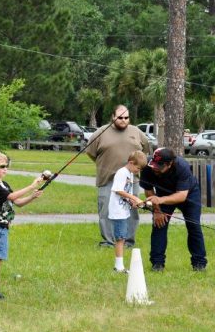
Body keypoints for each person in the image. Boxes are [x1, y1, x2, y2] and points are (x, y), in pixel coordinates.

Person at [85, 105, 150, 248]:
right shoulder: (101, 132)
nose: (123, 120)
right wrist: (102, 163)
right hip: (108, 178)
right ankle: (108, 241)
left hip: (132, 180)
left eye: (126, 118)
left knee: (132, 209)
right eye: (120, 117)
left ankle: (128, 241)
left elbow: (145, 150)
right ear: (113, 117)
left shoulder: (136, 132)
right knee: (107, 210)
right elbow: (90, 152)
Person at [0, 151, 43, 299]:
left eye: (7, 166)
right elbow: (11, 196)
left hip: (3, 225)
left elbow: (18, 202)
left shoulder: (4, 184)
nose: (5, 169)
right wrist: (31, 186)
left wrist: (32, 197)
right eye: (2, 166)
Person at [140, 147, 207, 272]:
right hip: (162, 194)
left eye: (159, 166)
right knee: (159, 225)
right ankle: (157, 264)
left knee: (194, 226)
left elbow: (181, 196)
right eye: (154, 164)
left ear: (170, 164)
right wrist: (157, 210)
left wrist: (161, 200)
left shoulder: (182, 167)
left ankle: (199, 263)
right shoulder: (147, 167)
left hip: (189, 194)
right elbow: (149, 191)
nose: (155, 168)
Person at [108, 151, 148, 273]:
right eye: (138, 168)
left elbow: (125, 193)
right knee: (120, 238)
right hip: (117, 211)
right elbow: (118, 190)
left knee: (123, 237)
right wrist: (134, 198)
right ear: (131, 163)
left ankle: (119, 265)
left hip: (123, 210)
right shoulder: (122, 173)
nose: (138, 171)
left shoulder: (129, 174)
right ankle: (118, 267)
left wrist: (132, 202)